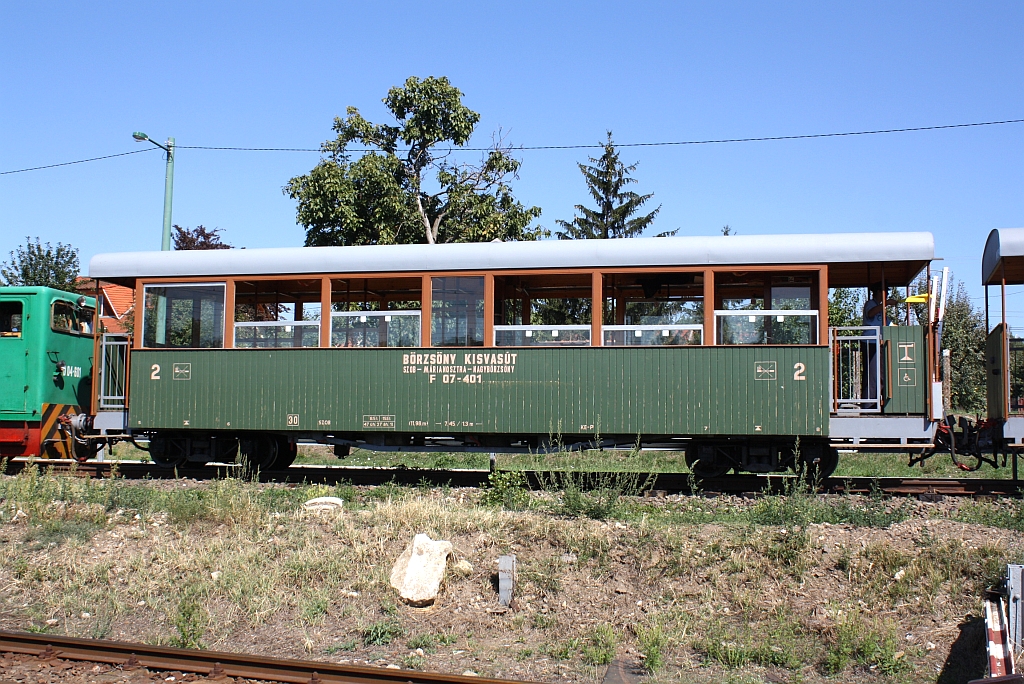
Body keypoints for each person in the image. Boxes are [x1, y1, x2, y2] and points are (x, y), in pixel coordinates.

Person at [862, 285, 885, 402]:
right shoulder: (870, 304)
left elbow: (889, 324)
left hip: (879, 343)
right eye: (884, 291)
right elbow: (871, 313)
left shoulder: (881, 308)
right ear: (877, 292)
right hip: (869, 342)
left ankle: (878, 401)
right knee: (871, 374)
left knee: (881, 374)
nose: (886, 294)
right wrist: (886, 304)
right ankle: (868, 403)